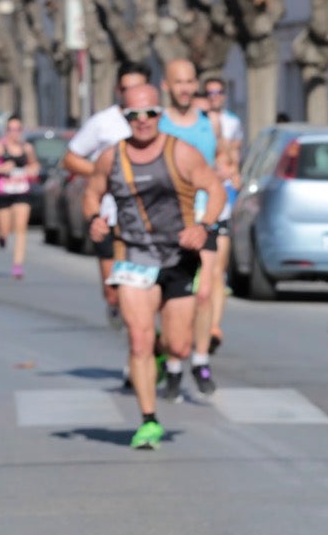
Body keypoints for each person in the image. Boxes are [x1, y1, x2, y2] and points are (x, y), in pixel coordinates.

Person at [83, 83, 225, 449]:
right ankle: (148, 420)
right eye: (134, 115)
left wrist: (202, 226)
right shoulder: (111, 158)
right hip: (134, 256)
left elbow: (216, 189)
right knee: (138, 337)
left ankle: (165, 356)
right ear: (124, 117)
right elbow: (91, 194)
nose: (142, 122)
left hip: (179, 257)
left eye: (149, 114)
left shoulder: (181, 153)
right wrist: (95, 220)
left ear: (159, 115)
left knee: (178, 345)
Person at [155, 59, 234, 397]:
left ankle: (200, 360)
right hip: (167, 220)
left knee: (205, 291)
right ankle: (172, 363)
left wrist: (229, 170)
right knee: (169, 298)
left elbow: (220, 161)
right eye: (179, 82)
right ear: (166, 85)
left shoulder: (209, 121)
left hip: (206, 216)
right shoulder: (157, 123)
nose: (185, 88)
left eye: (190, 82)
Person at [66, 62, 154, 328]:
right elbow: (70, 159)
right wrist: (103, 173)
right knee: (114, 289)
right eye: (127, 89)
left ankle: (144, 341)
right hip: (110, 216)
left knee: (147, 291)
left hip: (151, 219)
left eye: (138, 87)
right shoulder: (103, 122)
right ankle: (124, 317)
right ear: (118, 90)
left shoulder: (157, 120)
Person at [200, 76, 245, 351]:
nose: (214, 97)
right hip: (198, 202)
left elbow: (231, 158)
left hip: (223, 199)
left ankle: (214, 325)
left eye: (219, 92)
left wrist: (220, 135)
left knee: (218, 270)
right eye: (209, 93)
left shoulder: (232, 122)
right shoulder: (194, 122)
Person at [0, 115, 40, 278]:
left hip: (21, 191)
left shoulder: (27, 148)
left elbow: (34, 165)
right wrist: (0, 169)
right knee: (5, 229)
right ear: (6, 131)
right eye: (11, 129)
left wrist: (32, 170)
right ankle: (2, 236)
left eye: (18, 129)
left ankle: (17, 265)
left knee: (21, 228)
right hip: (3, 192)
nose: (14, 133)